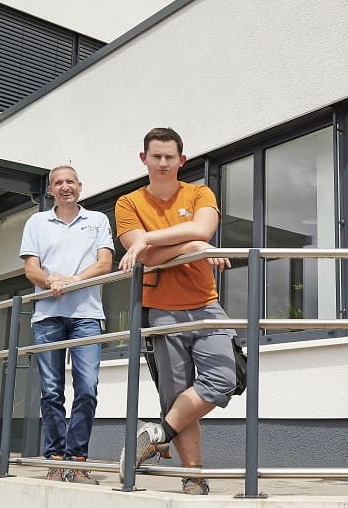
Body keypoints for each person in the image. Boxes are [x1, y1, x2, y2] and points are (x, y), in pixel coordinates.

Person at [115, 127, 235, 495]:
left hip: (206, 304)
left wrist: (151, 239)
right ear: (144, 159)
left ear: (181, 160)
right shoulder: (128, 203)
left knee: (225, 378)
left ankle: (157, 434)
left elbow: (202, 227)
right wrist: (192, 246)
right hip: (162, 311)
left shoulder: (200, 192)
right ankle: (193, 477)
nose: (163, 163)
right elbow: (143, 258)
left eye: (170, 157)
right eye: (156, 156)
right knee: (178, 394)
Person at [20, 165, 114, 484]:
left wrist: (72, 280)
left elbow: (104, 263)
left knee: (87, 387)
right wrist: (50, 281)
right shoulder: (37, 222)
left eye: (69, 181)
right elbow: (31, 269)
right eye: (58, 183)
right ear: (50, 190)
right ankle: (56, 459)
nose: (64, 187)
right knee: (51, 391)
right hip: (47, 315)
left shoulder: (97, 220)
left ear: (80, 186)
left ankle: (77, 459)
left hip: (86, 315)